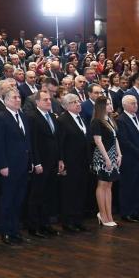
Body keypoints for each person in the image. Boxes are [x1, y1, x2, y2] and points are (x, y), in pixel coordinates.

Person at [0, 88, 38, 244]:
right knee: (8, 200)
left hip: (23, 165)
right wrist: (2, 165)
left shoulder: (23, 117)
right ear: (5, 101)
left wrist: (31, 160)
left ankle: (15, 230)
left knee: (18, 199)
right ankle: (5, 232)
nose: (18, 100)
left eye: (19, 97)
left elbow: (28, 141)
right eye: (14, 98)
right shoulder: (1, 118)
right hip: (9, 166)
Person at [25, 89, 60, 238]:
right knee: (36, 195)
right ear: (37, 102)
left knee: (48, 195)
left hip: (52, 161)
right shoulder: (32, 117)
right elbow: (32, 142)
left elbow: (56, 140)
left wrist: (60, 159)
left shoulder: (52, 116)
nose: (48, 102)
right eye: (45, 100)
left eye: (49, 99)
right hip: (41, 162)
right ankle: (34, 226)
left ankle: (46, 224)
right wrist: (36, 162)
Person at [56, 94, 89, 232]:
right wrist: (61, 160)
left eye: (78, 101)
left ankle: (77, 219)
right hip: (70, 162)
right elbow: (60, 143)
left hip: (83, 162)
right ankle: (68, 221)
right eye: (74, 102)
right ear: (66, 105)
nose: (78, 104)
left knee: (80, 191)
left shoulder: (81, 118)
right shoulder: (63, 120)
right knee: (69, 193)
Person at [117, 94, 139, 223]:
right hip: (130, 158)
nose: (136, 105)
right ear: (125, 105)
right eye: (132, 103)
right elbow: (124, 141)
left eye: (136, 103)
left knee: (138, 185)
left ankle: (135, 211)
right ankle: (126, 212)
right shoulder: (121, 120)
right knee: (128, 186)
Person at [90, 97, 121, 227]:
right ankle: (102, 214)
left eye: (110, 103)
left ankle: (109, 215)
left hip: (113, 155)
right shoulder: (96, 121)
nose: (110, 106)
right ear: (101, 106)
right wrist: (107, 158)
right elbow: (98, 141)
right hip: (103, 156)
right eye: (107, 104)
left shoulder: (110, 119)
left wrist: (119, 154)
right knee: (102, 184)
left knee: (109, 185)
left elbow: (115, 138)